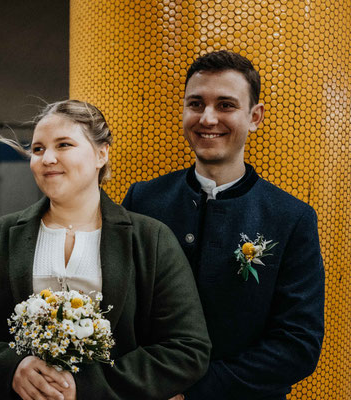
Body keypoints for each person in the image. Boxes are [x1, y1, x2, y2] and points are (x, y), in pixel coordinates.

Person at [0, 100, 211, 400]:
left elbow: (187, 349)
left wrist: (89, 387)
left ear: (101, 154)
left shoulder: (150, 239)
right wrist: (11, 369)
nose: (47, 158)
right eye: (38, 149)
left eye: (63, 144)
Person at [122, 50, 325, 400]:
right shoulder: (142, 201)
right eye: (196, 104)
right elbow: (115, 304)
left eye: (226, 105)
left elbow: (298, 343)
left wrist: (194, 390)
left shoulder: (291, 217)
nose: (208, 118)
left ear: (254, 116)